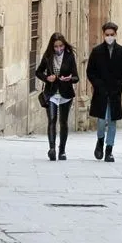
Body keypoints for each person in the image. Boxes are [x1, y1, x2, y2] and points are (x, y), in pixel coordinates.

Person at [86, 21, 122, 162]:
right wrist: (98, 85)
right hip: (101, 92)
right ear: (103, 35)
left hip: (115, 92)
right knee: (101, 120)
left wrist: (118, 87)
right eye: (107, 34)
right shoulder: (97, 51)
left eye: (112, 34)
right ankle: (100, 140)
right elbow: (90, 71)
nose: (109, 37)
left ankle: (109, 149)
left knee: (112, 121)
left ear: (115, 34)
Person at [34, 33, 79, 161]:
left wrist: (69, 79)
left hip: (66, 93)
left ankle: (62, 150)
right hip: (52, 92)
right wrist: (47, 78)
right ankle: (52, 148)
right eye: (56, 46)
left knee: (63, 122)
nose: (59, 49)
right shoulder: (48, 56)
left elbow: (76, 77)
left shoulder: (70, 57)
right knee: (52, 119)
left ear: (64, 45)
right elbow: (38, 72)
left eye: (61, 46)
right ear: (52, 46)